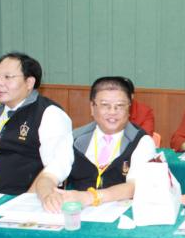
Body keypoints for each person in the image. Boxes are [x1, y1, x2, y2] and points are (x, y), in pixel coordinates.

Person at [0, 52, 74, 209]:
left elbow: (53, 169)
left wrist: (21, 205)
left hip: (31, 203)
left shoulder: (49, 114)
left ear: (29, 82)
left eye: (8, 77)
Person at [39, 76, 158, 212]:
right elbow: (48, 176)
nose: (112, 112)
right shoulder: (74, 139)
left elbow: (134, 186)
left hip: (123, 214)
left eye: (120, 106)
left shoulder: (142, 141)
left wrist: (91, 197)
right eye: (105, 105)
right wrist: (48, 196)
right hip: (80, 212)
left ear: (129, 108)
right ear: (92, 107)